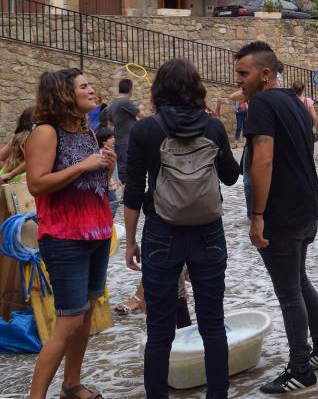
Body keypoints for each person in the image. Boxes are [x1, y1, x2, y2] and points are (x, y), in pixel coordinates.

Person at [122, 59, 241, 399]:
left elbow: (132, 191)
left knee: (159, 330)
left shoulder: (145, 130)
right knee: (213, 324)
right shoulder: (213, 127)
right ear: (196, 88)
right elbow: (231, 176)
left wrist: (130, 241)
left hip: (161, 231)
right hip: (208, 231)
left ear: (159, 90)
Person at [235, 41, 318, 394]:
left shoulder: (262, 104)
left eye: (243, 73)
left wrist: (257, 215)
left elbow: (263, 158)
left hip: (281, 213)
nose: (239, 80)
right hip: (305, 207)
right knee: (299, 281)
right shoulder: (293, 103)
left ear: (265, 75)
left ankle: (301, 370)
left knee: (288, 292)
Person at [25, 68, 116, 399]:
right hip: (64, 238)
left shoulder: (85, 131)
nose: (92, 90)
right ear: (64, 94)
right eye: (84, 86)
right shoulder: (46, 133)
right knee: (67, 323)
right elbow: (36, 183)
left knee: (86, 314)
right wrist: (83, 166)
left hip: (97, 233)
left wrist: (107, 167)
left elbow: (93, 186)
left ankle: (71, 385)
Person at [107, 78, 141, 184]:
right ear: (131, 90)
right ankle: (129, 198)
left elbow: (111, 123)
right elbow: (142, 115)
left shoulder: (112, 105)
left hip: (119, 141)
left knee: (123, 173)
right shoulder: (126, 102)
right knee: (131, 172)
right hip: (128, 141)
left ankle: (124, 197)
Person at [0, 106, 34, 184]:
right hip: (20, 181)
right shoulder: (34, 138)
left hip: (7, 178)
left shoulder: (17, 138)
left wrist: (8, 170)